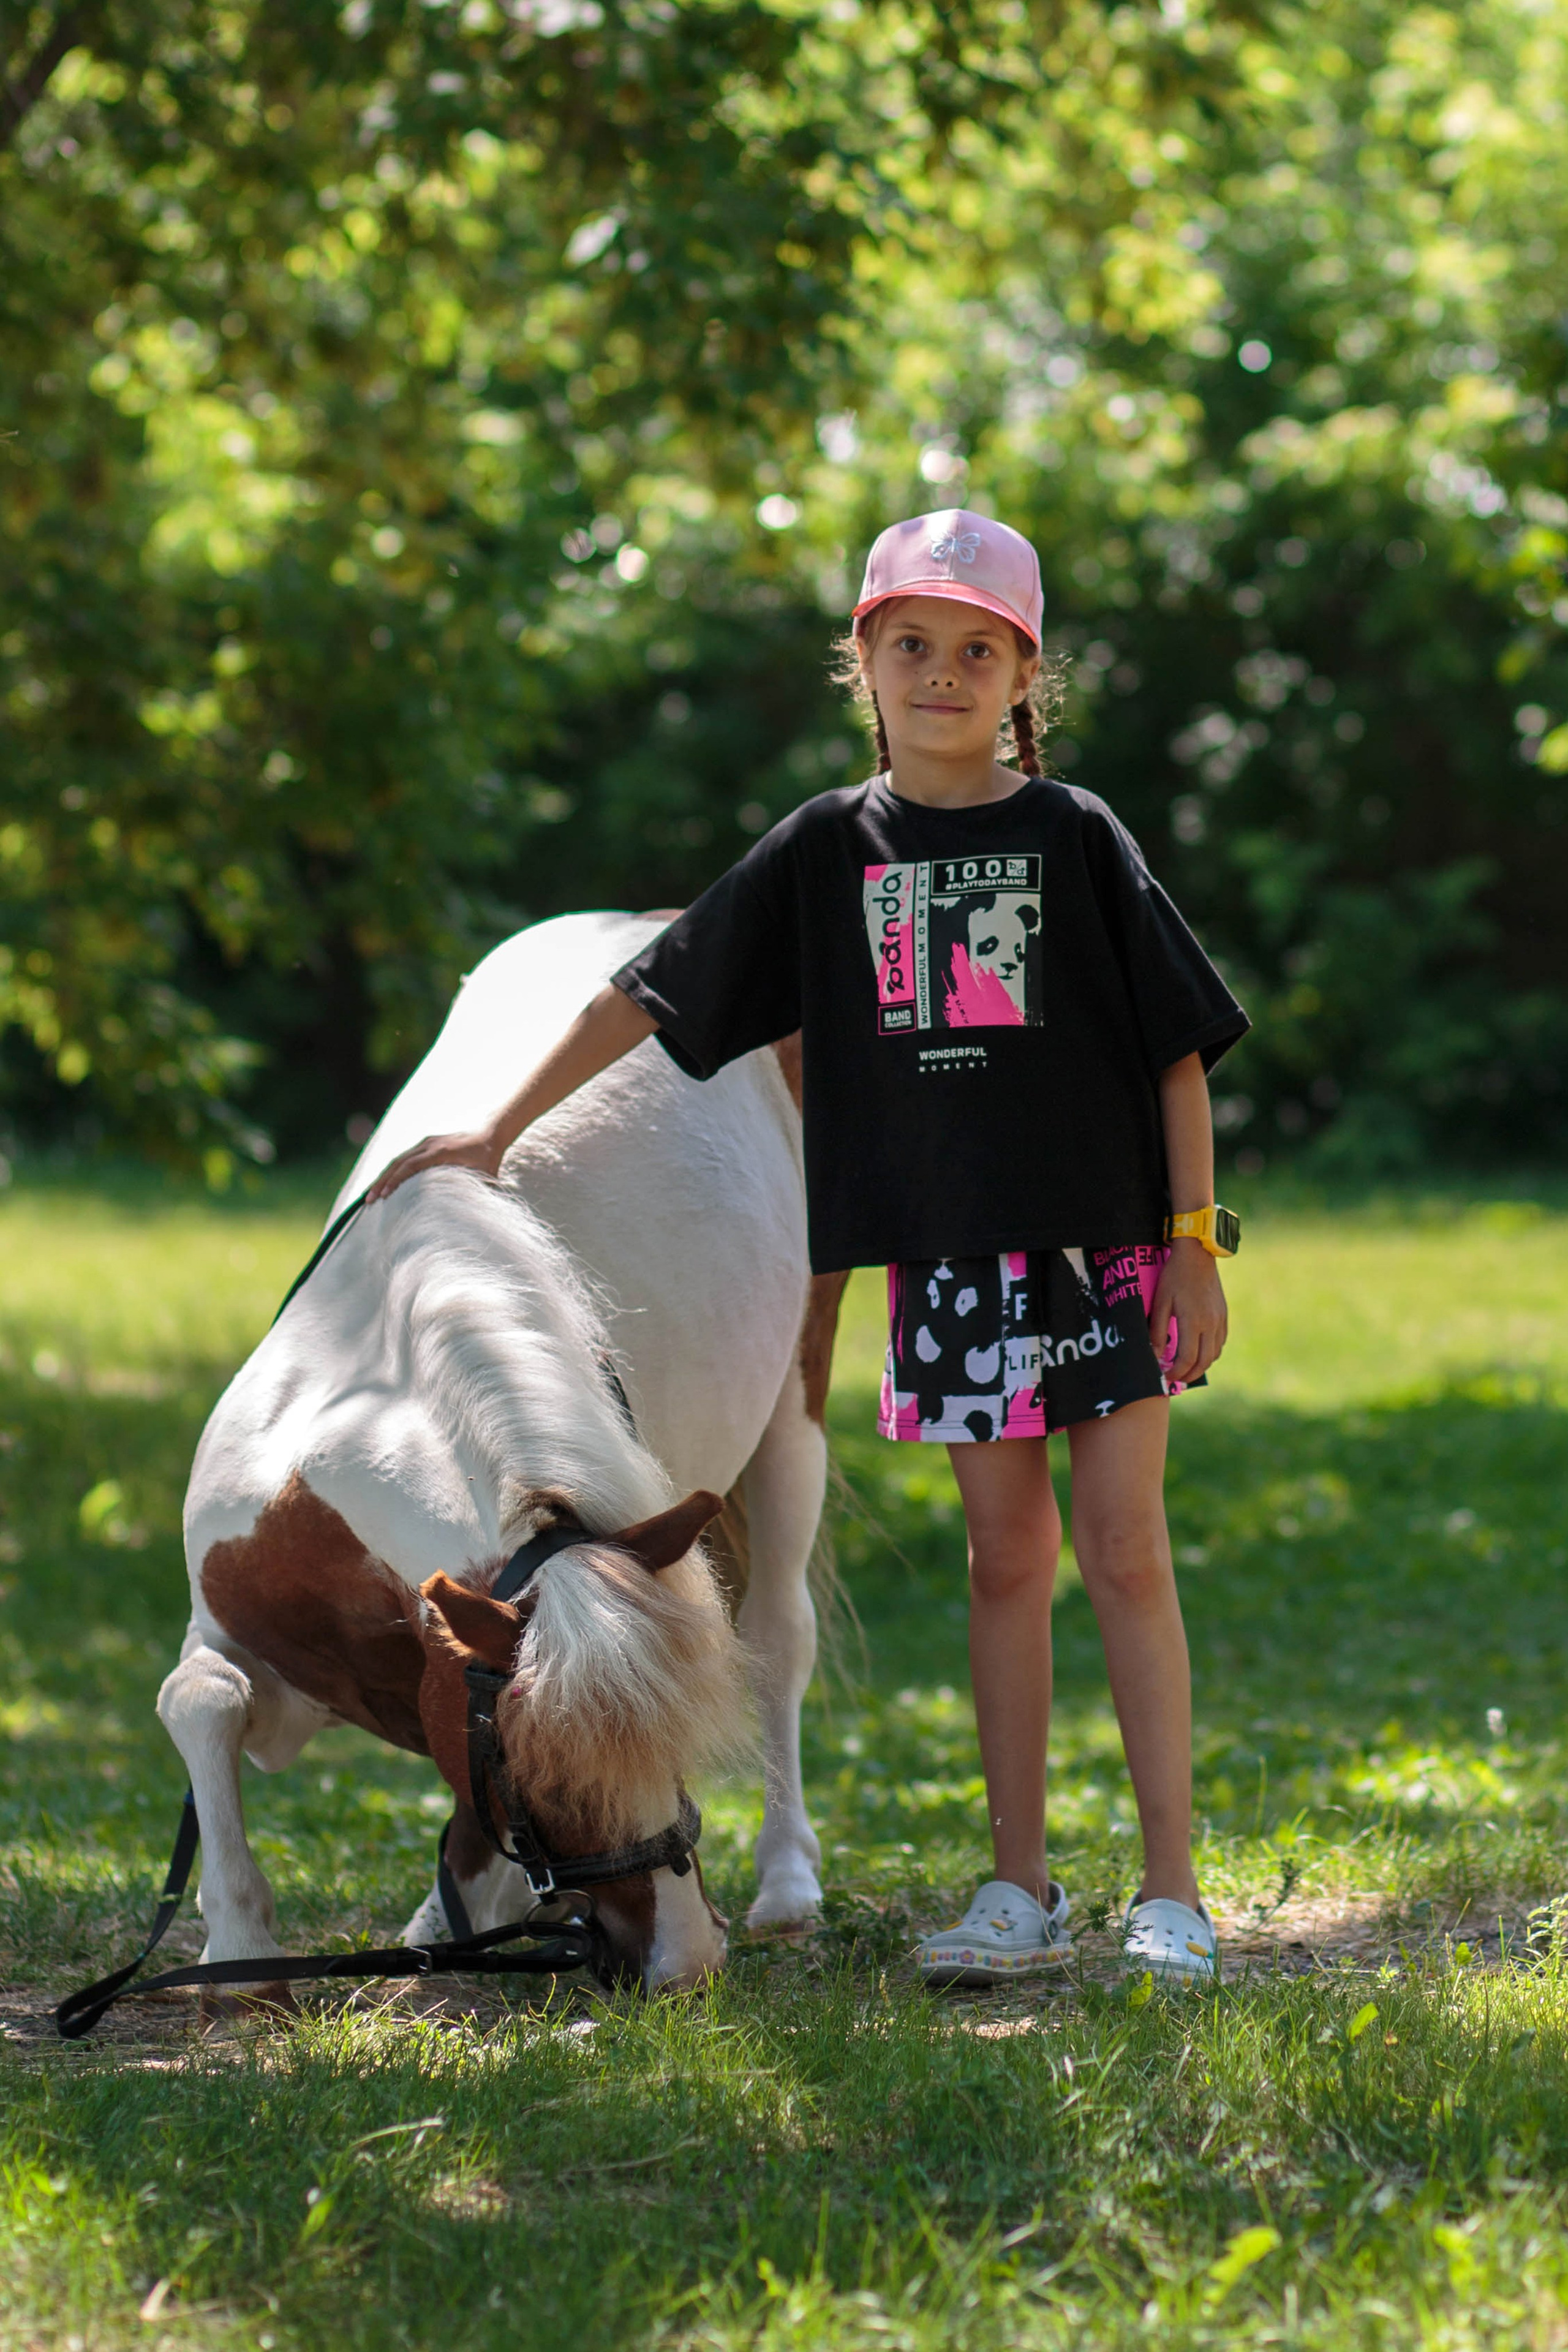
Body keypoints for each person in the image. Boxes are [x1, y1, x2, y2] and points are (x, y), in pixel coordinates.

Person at [368, 508, 1248, 1988]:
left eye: (977, 651)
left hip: (1105, 1254)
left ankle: (1171, 1893)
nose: (942, 673)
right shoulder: (826, 850)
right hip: (946, 1269)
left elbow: (1175, 1048)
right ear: (864, 662)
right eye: (911, 644)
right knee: (1001, 1560)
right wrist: (493, 1130)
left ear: (1022, 675)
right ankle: (1016, 1888)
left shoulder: (1074, 836)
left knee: (1121, 1550)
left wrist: (1191, 1243)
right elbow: (648, 995)